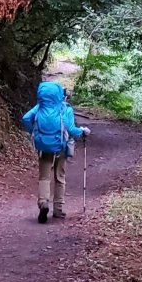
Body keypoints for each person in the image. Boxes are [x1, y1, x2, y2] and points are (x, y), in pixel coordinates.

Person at [21, 81, 90, 223]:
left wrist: (34, 132)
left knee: (44, 177)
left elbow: (26, 118)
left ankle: (43, 202)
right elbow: (71, 130)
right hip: (61, 147)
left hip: (44, 147)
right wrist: (83, 131)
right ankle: (58, 209)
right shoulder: (66, 109)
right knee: (60, 177)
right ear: (60, 95)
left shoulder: (40, 107)